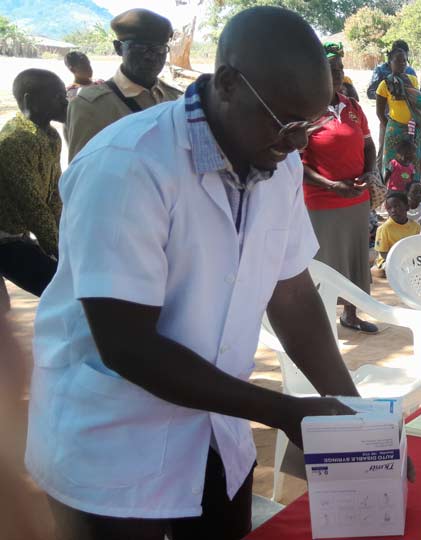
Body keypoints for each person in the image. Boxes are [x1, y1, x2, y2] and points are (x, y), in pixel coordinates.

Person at [28, 8, 363, 538]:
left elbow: (293, 294)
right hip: (114, 455)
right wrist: (285, 412)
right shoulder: (128, 165)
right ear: (228, 83)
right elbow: (127, 346)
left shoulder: (279, 161)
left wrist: (355, 417)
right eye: (287, 123)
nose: (299, 143)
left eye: (311, 125)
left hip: (217, 438)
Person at [301, 47, 379, 334]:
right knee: (324, 260)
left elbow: (368, 145)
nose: (336, 75)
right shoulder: (306, 111)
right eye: (330, 70)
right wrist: (332, 185)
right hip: (321, 201)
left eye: (339, 69)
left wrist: (368, 172)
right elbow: (294, 164)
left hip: (356, 199)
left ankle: (351, 313)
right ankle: (320, 325)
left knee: (355, 257)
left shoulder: (353, 107)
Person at [65, 8, 182, 161]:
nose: (150, 56)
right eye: (140, 48)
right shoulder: (90, 106)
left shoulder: (176, 98)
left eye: (159, 49)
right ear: (118, 48)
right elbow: (81, 175)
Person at [0, 69, 67, 298]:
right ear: (30, 101)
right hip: (5, 239)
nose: (65, 102)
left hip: (19, 235)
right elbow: (33, 207)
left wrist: (66, 239)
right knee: (63, 291)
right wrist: (62, 252)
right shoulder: (14, 142)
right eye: (58, 97)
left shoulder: (50, 137)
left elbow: (55, 196)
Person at [377, 47, 421, 187]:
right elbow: (379, 112)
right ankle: (391, 192)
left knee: (414, 161)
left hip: (413, 127)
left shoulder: (412, 80)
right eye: (398, 61)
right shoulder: (384, 85)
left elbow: (418, 103)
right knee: (391, 162)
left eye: (404, 61)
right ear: (390, 62)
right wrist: (391, 126)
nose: (402, 64)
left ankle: (412, 193)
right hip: (394, 129)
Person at [373, 191, 421, 277]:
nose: (393, 210)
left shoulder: (416, 226)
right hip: (389, 260)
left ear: (407, 207)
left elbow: (417, 248)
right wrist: (400, 263)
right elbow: (383, 253)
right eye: (389, 208)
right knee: (391, 271)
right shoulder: (384, 228)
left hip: (409, 259)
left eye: (397, 206)